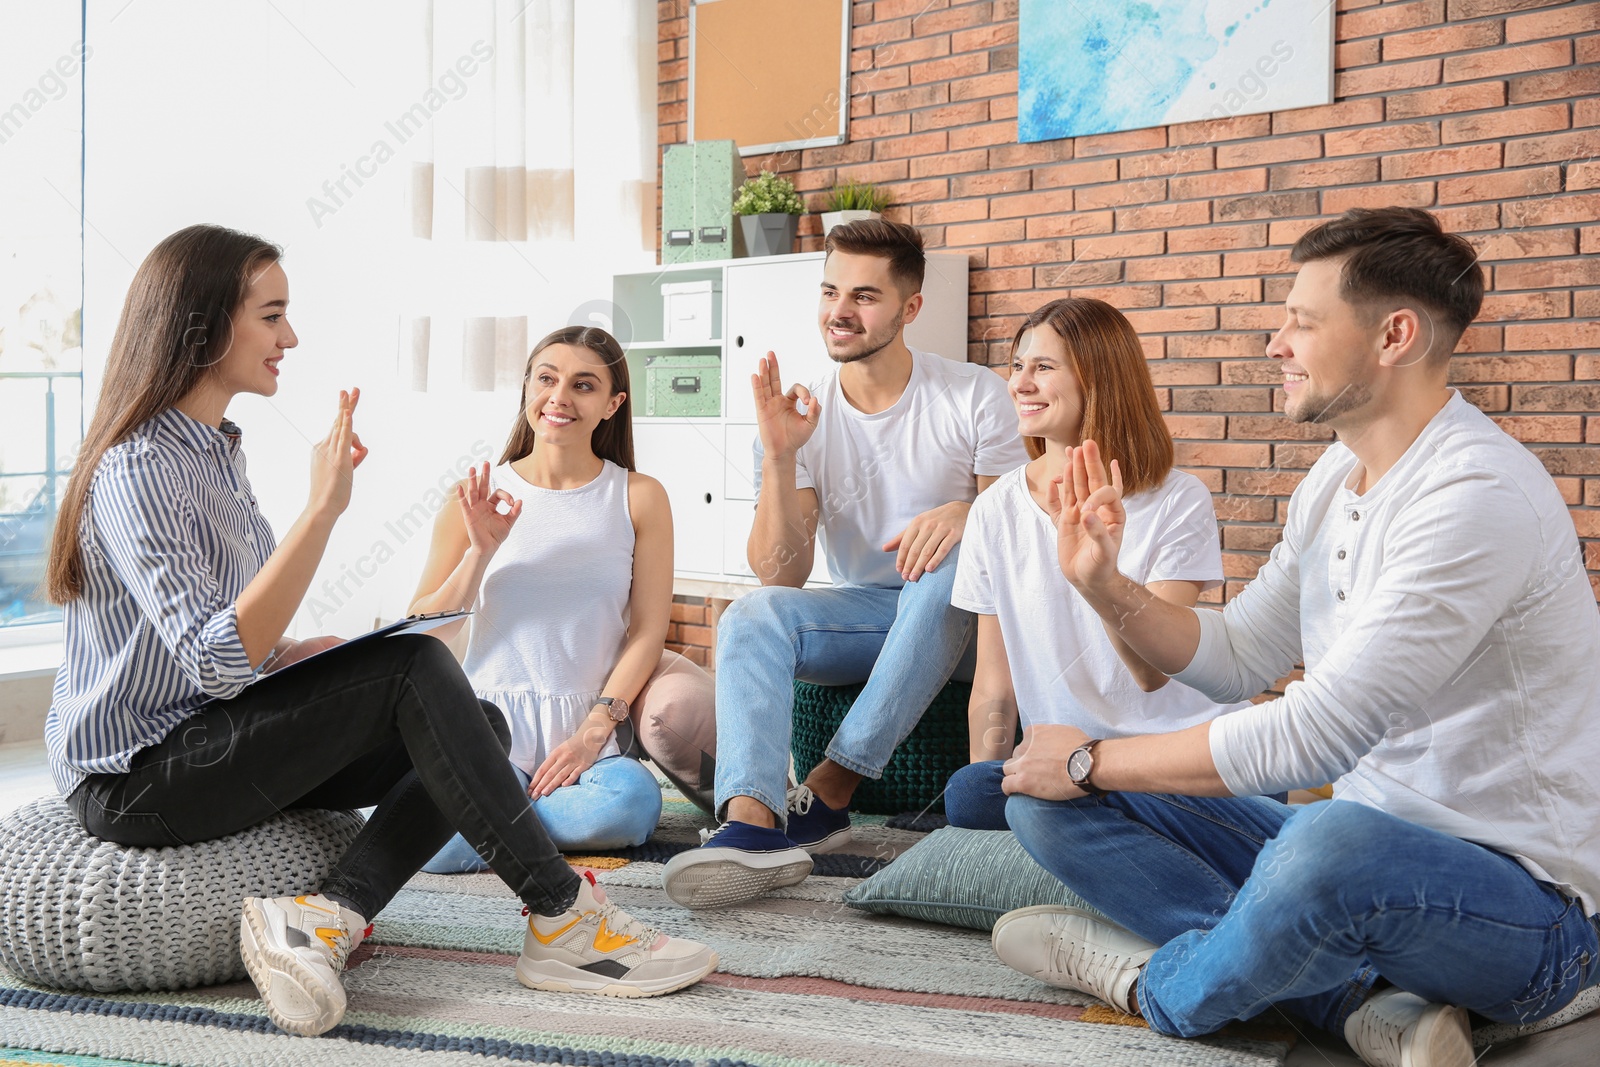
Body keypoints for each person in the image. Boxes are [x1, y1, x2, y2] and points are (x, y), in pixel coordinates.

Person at [42, 225, 716, 1040]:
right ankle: (562, 915)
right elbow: (218, 658)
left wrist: (297, 656)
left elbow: (236, 640)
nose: (290, 336)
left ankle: (326, 916)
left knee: (480, 723)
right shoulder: (139, 464)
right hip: (139, 776)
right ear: (206, 324)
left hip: (204, 734)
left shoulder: (216, 452)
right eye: (272, 314)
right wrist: (324, 510)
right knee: (415, 671)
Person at [987, 207, 1600, 1067]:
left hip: (1526, 912)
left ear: (1394, 335)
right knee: (1038, 800)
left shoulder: (1474, 494)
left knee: (1321, 841)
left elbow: (1317, 736)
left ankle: (1156, 984)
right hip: (1357, 843)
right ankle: (1355, 1005)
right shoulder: (1332, 477)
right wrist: (1104, 584)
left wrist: (1090, 755)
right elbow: (1237, 656)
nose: (1276, 342)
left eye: (1301, 323)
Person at [662, 218, 1030, 909]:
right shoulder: (802, 413)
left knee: (955, 563)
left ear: (909, 308)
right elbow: (782, 572)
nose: (840, 311)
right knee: (753, 612)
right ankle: (752, 823)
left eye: (864, 296)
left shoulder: (975, 394)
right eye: (831, 291)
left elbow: (1020, 536)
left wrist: (967, 514)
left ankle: (831, 788)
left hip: (976, 626)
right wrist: (779, 455)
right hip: (867, 613)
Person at [409, 325, 717, 871]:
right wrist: (480, 551)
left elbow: (648, 633)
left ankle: (495, 827)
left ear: (612, 404)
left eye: (583, 385)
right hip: (488, 730)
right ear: (526, 387)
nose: (559, 397)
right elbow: (424, 634)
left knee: (628, 806)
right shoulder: (475, 495)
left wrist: (592, 733)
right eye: (546, 379)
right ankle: (517, 823)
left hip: (590, 731)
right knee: (437, 846)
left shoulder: (639, 496)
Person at [944, 297, 1247, 830]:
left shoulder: (1177, 499)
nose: (1018, 384)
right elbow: (995, 685)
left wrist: (1099, 581)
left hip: (1171, 763)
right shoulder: (996, 507)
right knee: (971, 793)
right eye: (1017, 366)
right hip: (1063, 767)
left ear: (1099, 379)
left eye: (1042, 367)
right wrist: (993, 793)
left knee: (1049, 816)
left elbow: (1152, 673)